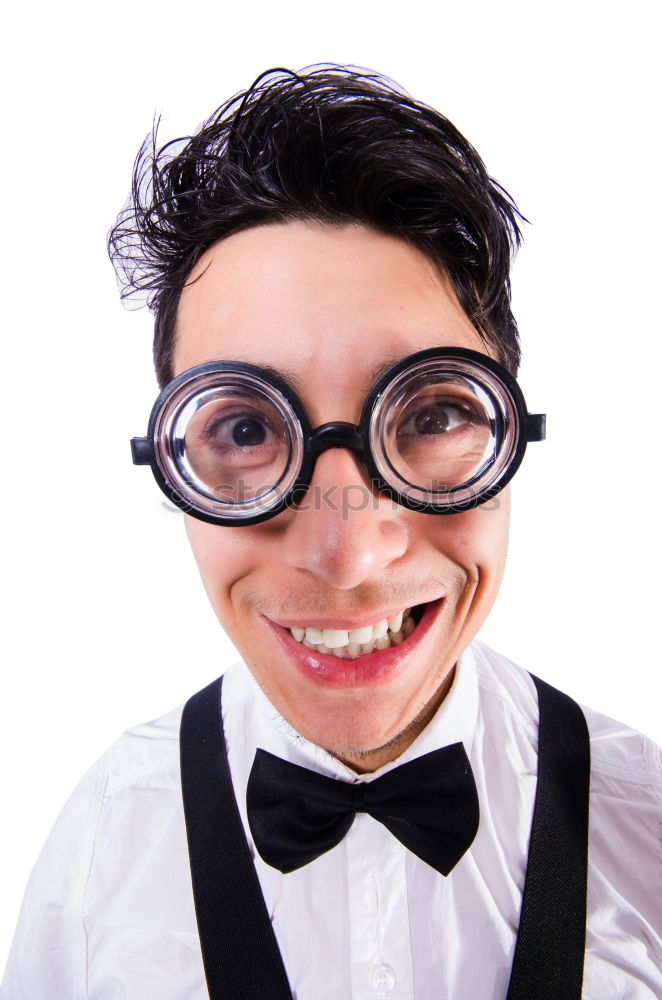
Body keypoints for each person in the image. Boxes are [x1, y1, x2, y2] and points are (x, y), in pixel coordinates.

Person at [2, 66, 660, 1000]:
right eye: (245, 429)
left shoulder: (648, 826)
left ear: (510, 435)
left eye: (431, 417)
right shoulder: (105, 840)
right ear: (174, 467)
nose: (348, 558)